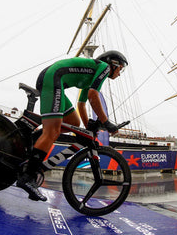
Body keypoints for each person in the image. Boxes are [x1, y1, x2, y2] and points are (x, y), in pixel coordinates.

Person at [16, 50, 128, 201]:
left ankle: (35, 137)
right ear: (113, 64)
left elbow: (81, 105)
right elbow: (93, 95)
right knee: (53, 131)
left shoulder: (91, 78)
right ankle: (27, 178)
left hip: (54, 79)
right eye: (120, 68)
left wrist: (88, 126)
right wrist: (106, 122)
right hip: (53, 78)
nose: (120, 73)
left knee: (74, 123)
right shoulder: (104, 67)